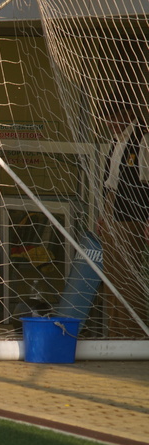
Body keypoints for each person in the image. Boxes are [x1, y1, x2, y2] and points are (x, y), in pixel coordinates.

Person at [97, 92, 149, 337]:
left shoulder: (143, 138)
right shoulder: (117, 140)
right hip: (113, 207)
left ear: (128, 114)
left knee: (128, 278)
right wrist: (103, 214)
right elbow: (110, 180)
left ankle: (132, 335)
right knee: (112, 276)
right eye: (107, 119)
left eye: (114, 117)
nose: (110, 123)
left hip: (132, 214)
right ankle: (115, 333)